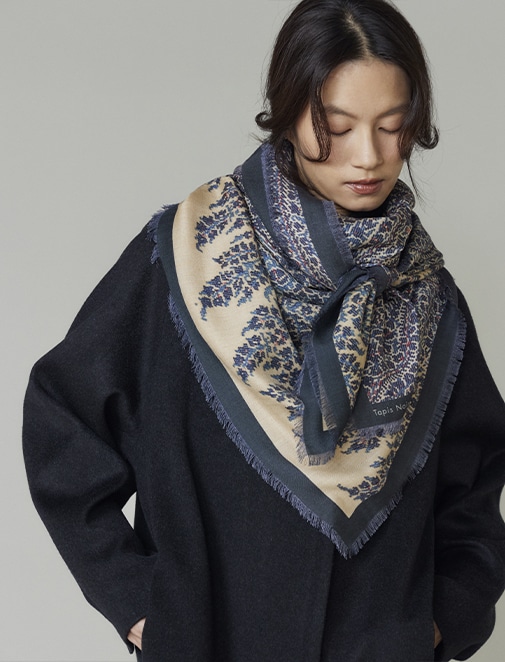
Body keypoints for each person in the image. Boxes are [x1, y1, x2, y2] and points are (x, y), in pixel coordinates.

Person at [22, 0, 505, 660]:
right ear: (287, 114)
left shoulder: (428, 295)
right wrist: (139, 606)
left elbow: (475, 487)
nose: (368, 155)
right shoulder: (189, 256)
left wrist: (442, 621)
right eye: (336, 127)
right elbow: (63, 422)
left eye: (392, 126)